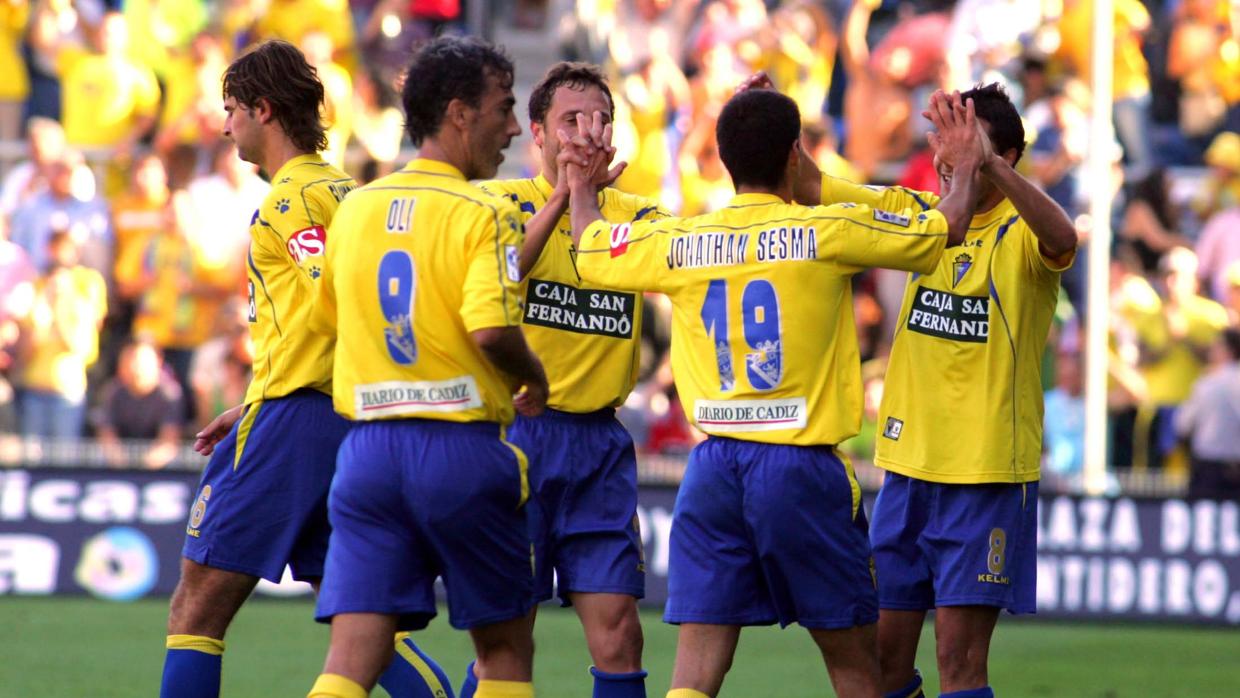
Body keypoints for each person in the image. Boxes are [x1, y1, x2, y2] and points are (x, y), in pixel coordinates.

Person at [564, 87, 983, 698]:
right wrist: (968, 163)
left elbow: (592, 246)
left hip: (710, 469)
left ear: (725, 158)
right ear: (795, 155)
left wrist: (581, 188)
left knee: (696, 672)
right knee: (855, 664)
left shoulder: (681, 242)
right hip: (800, 468)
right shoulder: (827, 232)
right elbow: (943, 230)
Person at [160, 40, 451, 698]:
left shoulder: (291, 202)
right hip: (344, 414)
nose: (225, 123)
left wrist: (284, 397)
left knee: (196, 606)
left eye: (231, 108)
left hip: (296, 421)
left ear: (264, 109)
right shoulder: (351, 190)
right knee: (360, 621)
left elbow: (337, 294)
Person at [799, 85, 1078, 698]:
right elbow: (815, 186)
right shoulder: (920, 218)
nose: (945, 162)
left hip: (984, 477)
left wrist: (989, 165)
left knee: (958, 662)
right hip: (906, 472)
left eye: (961, 147)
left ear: (1004, 153)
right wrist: (773, 122)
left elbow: (1064, 240)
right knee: (884, 666)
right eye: (942, 147)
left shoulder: (1021, 231)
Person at [306, 35, 548, 698]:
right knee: (503, 650)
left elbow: (329, 322)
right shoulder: (484, 210)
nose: (511, 124)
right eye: (503, 106)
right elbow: (493, 330)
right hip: (460, 448)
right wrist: (536, 375)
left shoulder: (353, 209)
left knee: (351, 656)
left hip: (368, 455)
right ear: (460, 113)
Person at [473, 61, 668, 698]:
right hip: (517, 442)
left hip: (598, 447)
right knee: (506, 640)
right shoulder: (500, 204)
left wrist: (588, 199)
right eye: (572, 121)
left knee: (618, 633)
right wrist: (563, 196)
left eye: (601, 120)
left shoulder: (641, 217)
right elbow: (501, 275)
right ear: (537, 132)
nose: (589, 133)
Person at [1176, 328, 1240, 500]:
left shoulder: (1207, 384)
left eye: (1217, 345)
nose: (1212, 349)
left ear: (1229, 350)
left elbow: (1183, 425)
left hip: (1209, 468)